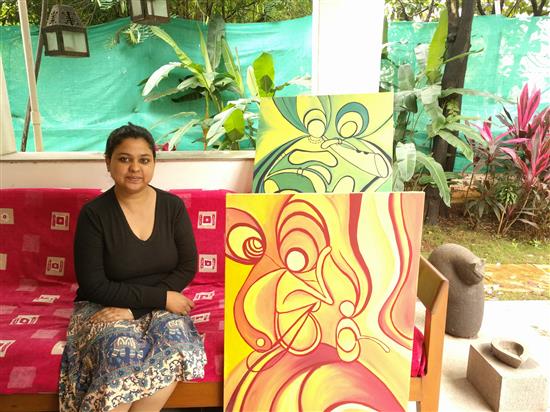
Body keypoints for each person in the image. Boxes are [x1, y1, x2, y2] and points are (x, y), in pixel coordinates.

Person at [59, 123, 206, 412]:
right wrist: (161, 298)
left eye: (144, 160)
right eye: (124, 159)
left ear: (154, 163)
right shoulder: (94, 214)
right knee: (119, 351)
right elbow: (94, 285)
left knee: (176, 343)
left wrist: (137, 308)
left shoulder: (172, 207)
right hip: (105, 304)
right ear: (108, 162)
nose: (135, 168)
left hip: (163, 304)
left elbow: (187, 265)